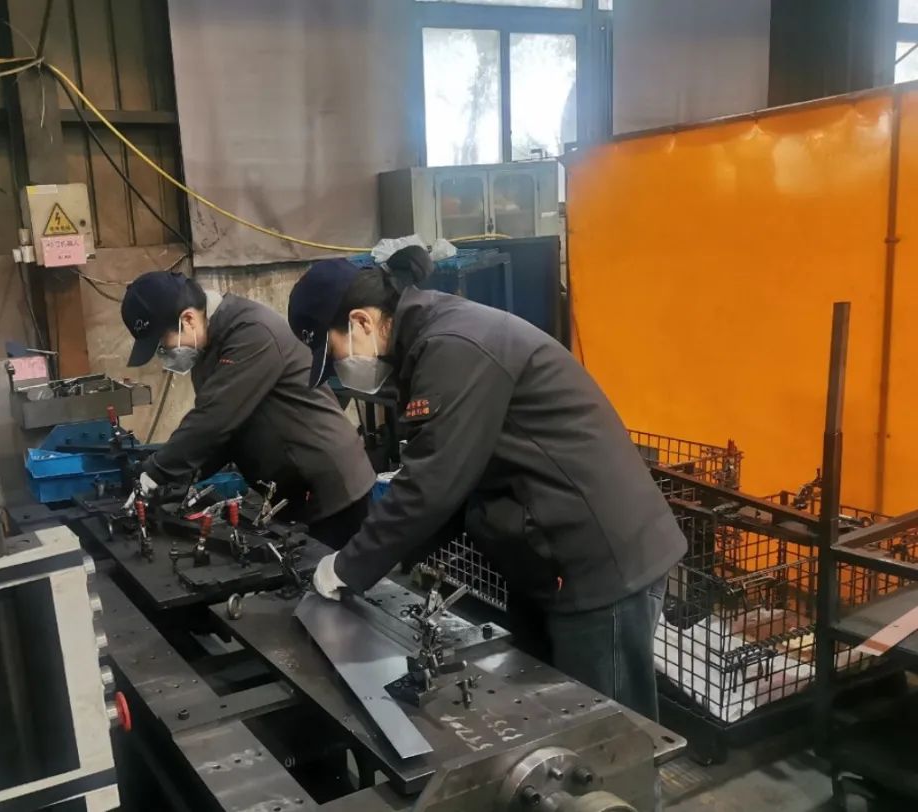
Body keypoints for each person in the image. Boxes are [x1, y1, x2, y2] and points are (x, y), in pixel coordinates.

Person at [286, 248, 686, 721]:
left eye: (333, 354)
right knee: (553, 719)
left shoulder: (454, 345)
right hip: (547, 557)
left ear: (361, 322)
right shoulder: (426, 345)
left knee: (611, 733)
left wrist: (349, 567)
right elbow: (455, 484)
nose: (340, 371)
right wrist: (385, 561)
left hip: (597, 560)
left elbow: (431, 485)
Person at [121, 270, 375, 548]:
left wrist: (156, 470)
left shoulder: (252, 332)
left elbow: (214, 419)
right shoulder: (207, 348)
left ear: (188, 319)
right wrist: (180, 477)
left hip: (330, 488)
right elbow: (224, 433)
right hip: (290, 489)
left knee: (331, 571)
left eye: (161, 345)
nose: (163, 355)